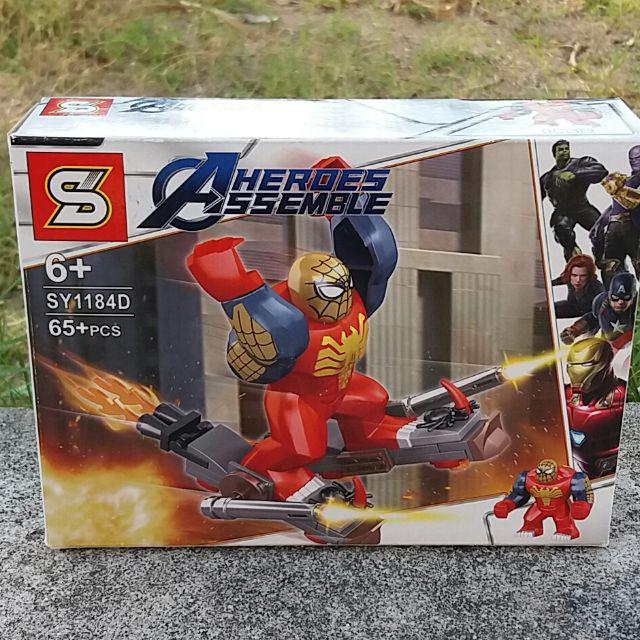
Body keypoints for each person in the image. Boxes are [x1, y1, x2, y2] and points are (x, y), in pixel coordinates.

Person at [540, 140, 608, 261]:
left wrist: (575, 174)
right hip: (563, 212)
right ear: (554, 154)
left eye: (567, 149)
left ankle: (602, 258)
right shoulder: (547, 177)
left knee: (602, 230)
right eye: (561, 150)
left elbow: (601, 171)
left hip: (583, 208)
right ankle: (573, 255)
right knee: (561, 229)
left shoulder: (580, 163)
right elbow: (533, 198)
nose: (565, 151)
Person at [600, 145, 640, 285]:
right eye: (633, 159)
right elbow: (614, 208)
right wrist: (600, 225)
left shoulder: (623, 184)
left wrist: (620, 191)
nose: (635, 161)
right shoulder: (626, 180)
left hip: (633, 229)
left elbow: (635, 202)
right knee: (611, 267)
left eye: (638, 158)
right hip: (615, 228)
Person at [551, 254, 604, 319]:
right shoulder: (567, 277)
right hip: (570, 305)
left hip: (586, 313)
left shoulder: (597, 287)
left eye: (583, 276)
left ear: (589, 275)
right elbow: (553, 282)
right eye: (574, 275)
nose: (578, 280)